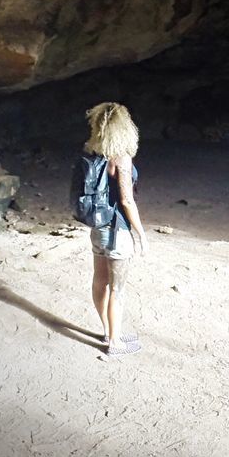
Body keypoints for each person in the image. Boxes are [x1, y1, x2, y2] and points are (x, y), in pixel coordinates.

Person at [83, 101, 148, 357]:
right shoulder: (121, 157)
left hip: (98, 228)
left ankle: (110, 332)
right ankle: (115, 343)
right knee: (117, 290)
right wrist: (141, 234)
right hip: (117, 232)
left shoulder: (92, 152)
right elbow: (126, 200)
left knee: (99, 281)